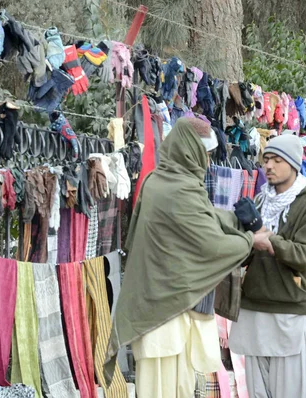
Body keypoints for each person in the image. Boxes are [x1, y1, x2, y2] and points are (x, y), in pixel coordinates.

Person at [104, 117, 270, 398]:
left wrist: (234, 221)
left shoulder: (158, 181)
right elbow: (210, 245)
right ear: (188, 150)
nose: (206, 162)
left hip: (161, 308)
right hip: (163, 314)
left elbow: (201, 219)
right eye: (203, 154)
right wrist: (249, 240)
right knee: (163, 390)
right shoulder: (179, 189)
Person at [229, 134, 306, 398]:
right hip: (255, 307)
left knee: (295, 392)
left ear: (294, 164)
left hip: (294, 309)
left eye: (276, 160)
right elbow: (245, 256)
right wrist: (242, 238)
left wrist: (265, 237)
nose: (269, 166)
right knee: (260, 392)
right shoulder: (261, 201)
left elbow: (305, 255)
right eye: (266, 160)